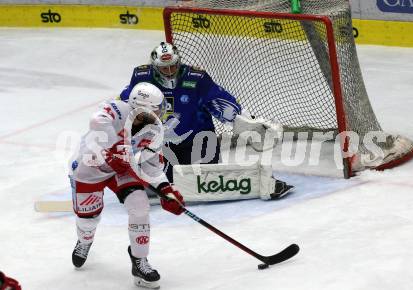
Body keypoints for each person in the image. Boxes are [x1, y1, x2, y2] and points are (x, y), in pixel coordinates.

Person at [119, 42, 294, 201]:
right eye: (165, 68)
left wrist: (246, 121)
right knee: (158, 185)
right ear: (155, 67)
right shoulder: (142, 77)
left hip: (199, 140)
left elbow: (220, 101)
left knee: (207, 183)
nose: (170, 71)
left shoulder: (196, 78)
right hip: (162, 144)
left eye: (173, 66)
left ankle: (260, 182)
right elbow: (126, 103)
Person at [69, 82, 184, 289]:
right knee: (88, 219)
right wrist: (112, 149)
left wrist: (167, 191)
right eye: (157, 108)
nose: (161, 113)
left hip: (121, 171)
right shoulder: (118, 109)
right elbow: (97, 120)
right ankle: (85, 240)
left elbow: (151, 168)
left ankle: (139, 263)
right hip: (90, 168)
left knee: (140, 208)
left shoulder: (154, 129)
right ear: (142, 107)